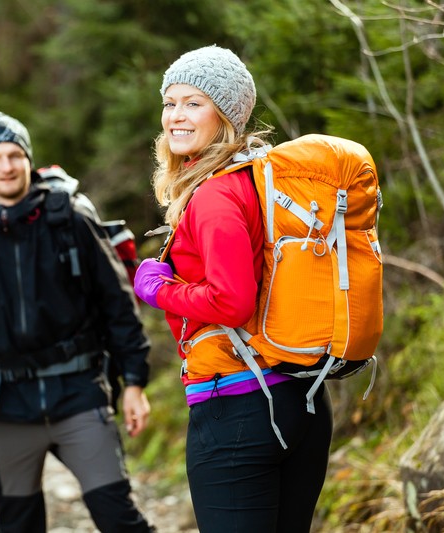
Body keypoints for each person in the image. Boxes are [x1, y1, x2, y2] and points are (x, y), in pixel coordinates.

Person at [0, 111, 155, 532]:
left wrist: (133, 382)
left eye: (15, 155)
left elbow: (117, 303)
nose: (6, 166)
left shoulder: (69, 220)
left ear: (28, 160)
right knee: (17, 526)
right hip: (5, 405)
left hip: (79, 395)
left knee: (119, 519)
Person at [133, 45, 333, 532]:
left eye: (193, 103)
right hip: (301, 400)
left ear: (226, 115)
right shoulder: (260, 179)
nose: (175, 116)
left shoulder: (217, 195)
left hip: (240, 407)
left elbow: (232, 300)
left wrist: (160, 290)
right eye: (169, 102)